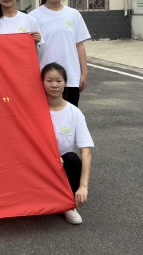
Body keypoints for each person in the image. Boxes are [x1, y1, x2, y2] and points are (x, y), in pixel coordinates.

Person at [42, 63, 94, 225]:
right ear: (42, 83)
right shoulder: (35, 111)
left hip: (62, 166)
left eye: (58, 81)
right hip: (41, 163)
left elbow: (86, 151)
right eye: (49, 80)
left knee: (72, 158)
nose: (54, 85)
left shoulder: (74, 113)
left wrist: (83, 186)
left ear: (65, 83)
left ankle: (68, 205)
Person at [30, 0, 91, 107]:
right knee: (45, 117)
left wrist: (84, 73)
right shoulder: (33, 16)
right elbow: (28, 49)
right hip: (44, 78)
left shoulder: (73, 14)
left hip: (70, 77)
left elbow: (79, 45)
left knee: (68, 116)